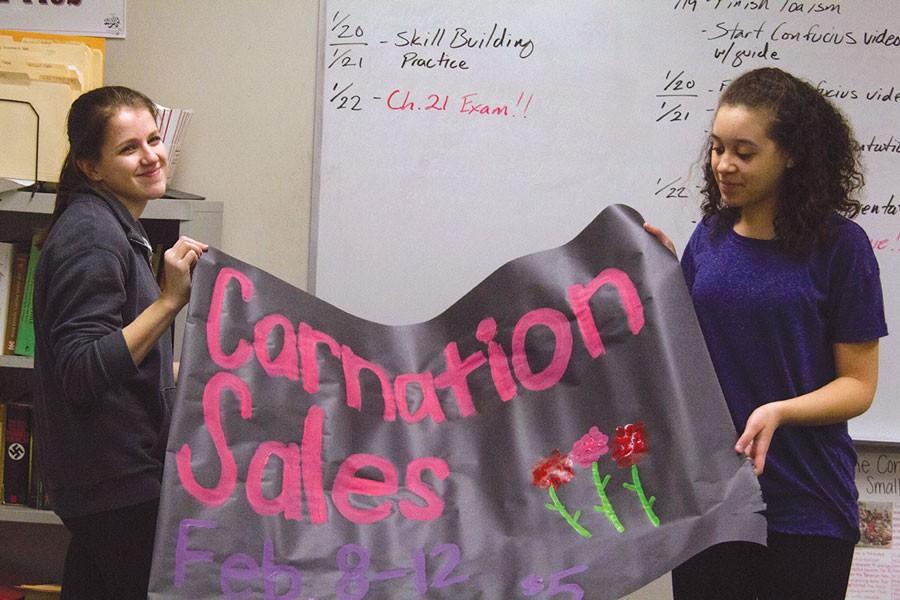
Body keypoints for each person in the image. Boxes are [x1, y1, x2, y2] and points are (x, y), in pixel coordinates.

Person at [645, 67, 887, 599]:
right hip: (712, 504)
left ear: (791, 155)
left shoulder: (841, 248)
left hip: (805, 508)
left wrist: (779, 411)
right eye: (716, 148)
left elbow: (859, 386)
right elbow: (684, 356)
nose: (723, 166)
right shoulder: (708, 238)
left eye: (744, 152)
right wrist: (656, 278)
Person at [31, 86, 208, 599]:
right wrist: (170, 302)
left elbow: (117, 354)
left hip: (105, 483)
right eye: (129, 148)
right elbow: (83, 371)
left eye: (154, 139)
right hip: (116, 483)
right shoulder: (92, 235)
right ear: (90, 166)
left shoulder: (109, 226)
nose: (151, 155)